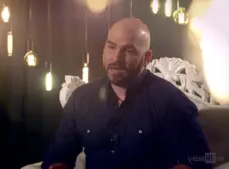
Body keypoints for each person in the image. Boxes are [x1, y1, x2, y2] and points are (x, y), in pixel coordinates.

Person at [41, 17, 212, 169]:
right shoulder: (81, 98)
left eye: (128, 51)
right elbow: (58, 155)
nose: (116, 58)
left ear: (146, 58)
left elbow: (201, 161)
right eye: (111, 47)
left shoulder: (171, 102)